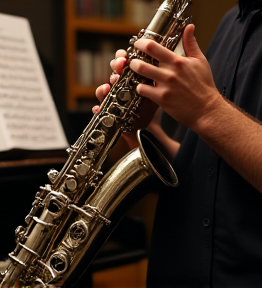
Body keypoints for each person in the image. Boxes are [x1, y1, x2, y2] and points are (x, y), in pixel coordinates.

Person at [94, 0, 262, 287]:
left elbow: (209, 113)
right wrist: (145, 132)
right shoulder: (232, 21)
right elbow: (209, 172)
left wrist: (207, 108)